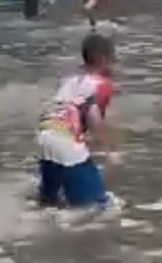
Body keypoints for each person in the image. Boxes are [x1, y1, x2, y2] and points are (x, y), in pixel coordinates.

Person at [37, 34, 118, 208]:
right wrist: (109, 152)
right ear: (104, 59)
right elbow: (93, 114)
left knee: (50, 204)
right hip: (65, 139)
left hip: (45, 134)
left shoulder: (70, 80)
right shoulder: (102, 85)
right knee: (99, 207)